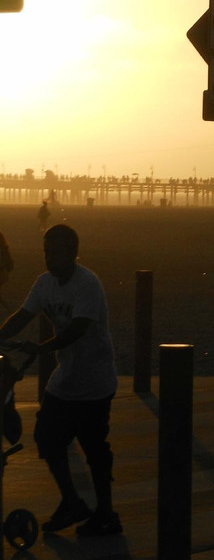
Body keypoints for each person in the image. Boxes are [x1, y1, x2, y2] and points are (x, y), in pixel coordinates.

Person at [0, 224, 122, 536]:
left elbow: (78, 328)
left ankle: (106, 515)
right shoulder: (45, 284)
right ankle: (71, 502)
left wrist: (43, 348)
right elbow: (23, 316)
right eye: (45, 252)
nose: (47, 258)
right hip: (66, 378)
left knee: (95, 449)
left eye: (53, 252)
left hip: (95, 379)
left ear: (71, 253)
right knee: (47, 437)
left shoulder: (87, 284)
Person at [0, 231, 13, 311]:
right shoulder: (4, 250)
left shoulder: (2, 251)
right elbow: (10, 266)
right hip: (3, 274)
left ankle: (9, 309)